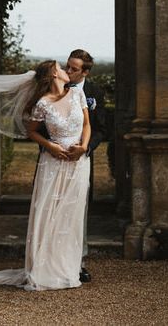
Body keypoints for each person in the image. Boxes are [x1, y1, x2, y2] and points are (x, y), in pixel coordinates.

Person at [0, 60, 91, 290]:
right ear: (53, 75)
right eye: (61, 68)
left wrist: (83, 147)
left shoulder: (77, 95)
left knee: (71, 216)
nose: (65, 70)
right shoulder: (42, 104)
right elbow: (31, 131)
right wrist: (50, 146)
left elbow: (87, 125)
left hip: (78, 164)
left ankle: (68, 268)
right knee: (49, 213)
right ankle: (45, 268)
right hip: (53, 164)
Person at [64, 48, 107, 284]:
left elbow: (101, 129)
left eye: (73, 68)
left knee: (79, 211)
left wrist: (86, 148)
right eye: (67, 66)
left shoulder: (95, 93)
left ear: (86, 72)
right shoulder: (55, 88)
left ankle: (78, 262)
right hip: (55, 159)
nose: (67, 71)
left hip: (82, 158)